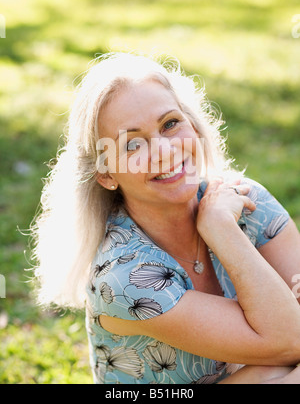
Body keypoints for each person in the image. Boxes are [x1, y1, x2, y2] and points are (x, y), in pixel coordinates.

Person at [31, 52, 300, 384]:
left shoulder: (247, 201)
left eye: (170, 124)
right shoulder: (125, 275)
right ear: (105, 174)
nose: (165, 151)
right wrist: (221, 231)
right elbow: (290, 340)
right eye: (132, 145)